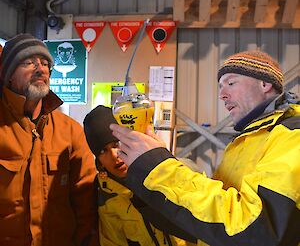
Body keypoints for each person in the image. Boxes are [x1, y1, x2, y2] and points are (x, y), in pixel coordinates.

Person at [110, 50, 300, 246]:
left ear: (264, 83)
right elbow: (212, 225)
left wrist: (158, 167)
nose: (222, 95)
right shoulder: (245, 142)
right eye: (220, 87)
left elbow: (258, 230)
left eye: (231, 83)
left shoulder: (292, 134)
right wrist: (146, 187)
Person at [0, 33, 99, 246]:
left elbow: (85, 202)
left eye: (45, 63)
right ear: (8, 75)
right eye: (28, 62)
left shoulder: (70, 130)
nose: (40, 68)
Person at [84, 105, 196, 246]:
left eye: (116, 144)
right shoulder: (107, 197)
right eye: (102, 151)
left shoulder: (169, 172)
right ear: (99, 162)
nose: (114, 155)